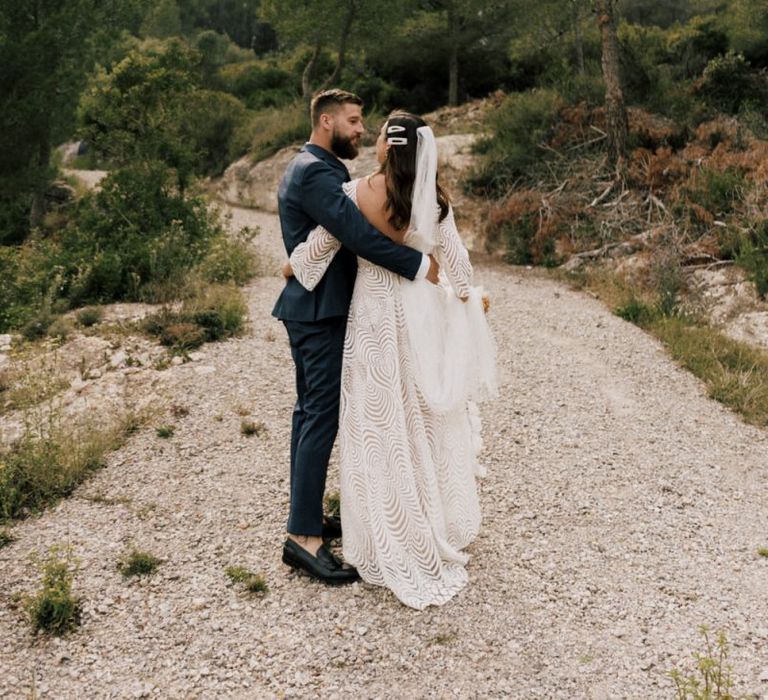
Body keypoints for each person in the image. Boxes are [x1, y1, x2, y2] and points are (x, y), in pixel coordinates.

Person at [285, 111, 497, 609]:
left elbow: (316, 249)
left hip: (373, 320)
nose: (373, 138)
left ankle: (380, 533)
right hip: (419, 318)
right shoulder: (434, 201)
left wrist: (290, 268)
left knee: (377, 426)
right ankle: (427, 521)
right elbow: (459, 268)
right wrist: (465, 298)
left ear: (385, 147)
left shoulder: (355, 193)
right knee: (421, 420)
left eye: (378, 133)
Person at [272, 90, 440, 585]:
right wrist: (417, 265)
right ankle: (303, 540)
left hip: (313, 308)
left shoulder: (316, 167)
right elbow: (355, 232)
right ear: (326, 122)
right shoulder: (317, 173)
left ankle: (307, 519)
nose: (360, 129)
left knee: (310, 415)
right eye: (353, 121)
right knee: (319, 417)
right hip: (318, 312)